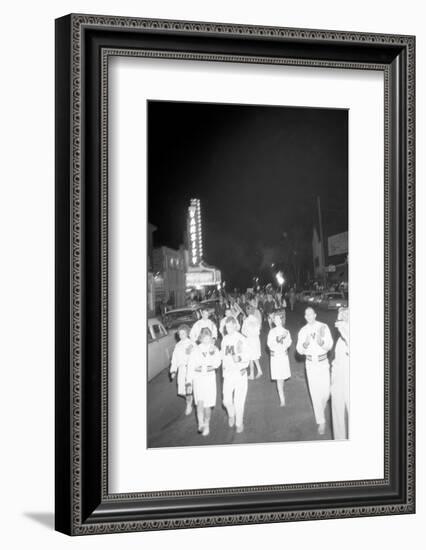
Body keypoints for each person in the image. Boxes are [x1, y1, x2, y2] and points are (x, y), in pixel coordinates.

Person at [296, 307, 333, 435]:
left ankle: (320, 410)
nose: (309, 316)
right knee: (315, 393)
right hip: (311, 364)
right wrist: (305, 344)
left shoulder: (323, 326)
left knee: (326, 392)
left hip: (323, 363)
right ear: (305, 317)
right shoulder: (303, 331)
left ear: (315, 315)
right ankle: (321, 421)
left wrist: (320, 342)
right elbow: (299, 351)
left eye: (311, 314)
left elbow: (329, 345)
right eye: (306, 314)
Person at [186, 328, 222, 436]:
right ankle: (200, 423)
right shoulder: (196, 350)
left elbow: (217, 364)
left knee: (207, 406)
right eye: (204, 338)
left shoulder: (214, 349)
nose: (206, 341)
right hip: (198, 379)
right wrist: (188, 382)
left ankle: (207, 424)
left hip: (209, 380)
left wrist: (213, 353)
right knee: (200, 403)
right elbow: (191, 366)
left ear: (211, 338)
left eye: (208, 338)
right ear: (200, 338)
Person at [221, 316, 250, 433]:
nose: (228, 329)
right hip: (228, 374)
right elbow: (222, 356)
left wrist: (240, 357)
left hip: (240, 373)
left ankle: (239, 423)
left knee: (239, 401)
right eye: (226, 327)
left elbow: (248, 354)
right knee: (226, 401)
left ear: (234, 326)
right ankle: (231, 414)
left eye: (229, 326)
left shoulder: (241, 339)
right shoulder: (224, 340)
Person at [331, 307, 350, 439]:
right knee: (337, 412)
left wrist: (346, 333)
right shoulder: (340, 340)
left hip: (349, 379)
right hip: (338, 378)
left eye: (343, 316)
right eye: (340, 316)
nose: (340, 319)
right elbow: (336, 361)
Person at [267, 311, 292, 406]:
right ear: (274, 321)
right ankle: (282, 399)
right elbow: (269, 344)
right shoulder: (271, 332)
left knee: (282, 377)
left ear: (281, 320)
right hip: (275, 357)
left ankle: (282, 392)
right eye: (275, 319)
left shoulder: (286, 331)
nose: (277, 321)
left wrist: (283, 342)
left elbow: (289, 343)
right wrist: (277, 340)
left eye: (279, 319)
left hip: (283, 356)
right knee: (278, 378)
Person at [169, 324, 194, 415]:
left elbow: (196, 356)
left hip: (190, 368)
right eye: (180, 334)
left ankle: (189, 404)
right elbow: (174, 359)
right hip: (181, 369)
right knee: (181, 390)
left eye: (183, 333)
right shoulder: (177, 345)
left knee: (188, 388)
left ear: (187, 333)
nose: (181, 336)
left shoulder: (191, 343)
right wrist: (173, 371)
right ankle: (189, 397)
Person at [242, 305, 263, 379]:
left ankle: (252, 374)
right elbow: (259, 329)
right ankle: (259, 370)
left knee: (251, 357)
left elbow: (243, 331)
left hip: (249, 340)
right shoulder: (256, 319)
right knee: (254, 356)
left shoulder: (246, 320)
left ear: (247, 312)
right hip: (256, 340)